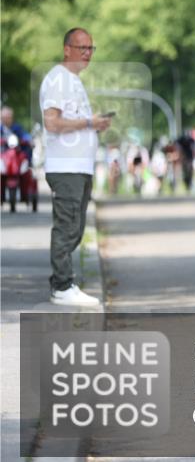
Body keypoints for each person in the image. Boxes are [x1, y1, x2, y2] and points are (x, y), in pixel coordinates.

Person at [39, 28, 111, 306]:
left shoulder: (74, 81)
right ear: (66, 48)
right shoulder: (58, 80)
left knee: (77, 226)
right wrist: (88, 123)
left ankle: (65, 283)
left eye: (91, 48)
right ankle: (62, 286)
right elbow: (52, 123)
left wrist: (94, 125)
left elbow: (74, 120)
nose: (87, 54)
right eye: (81, 47)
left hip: (80, 166)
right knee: (67, 226)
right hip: (66, 166)